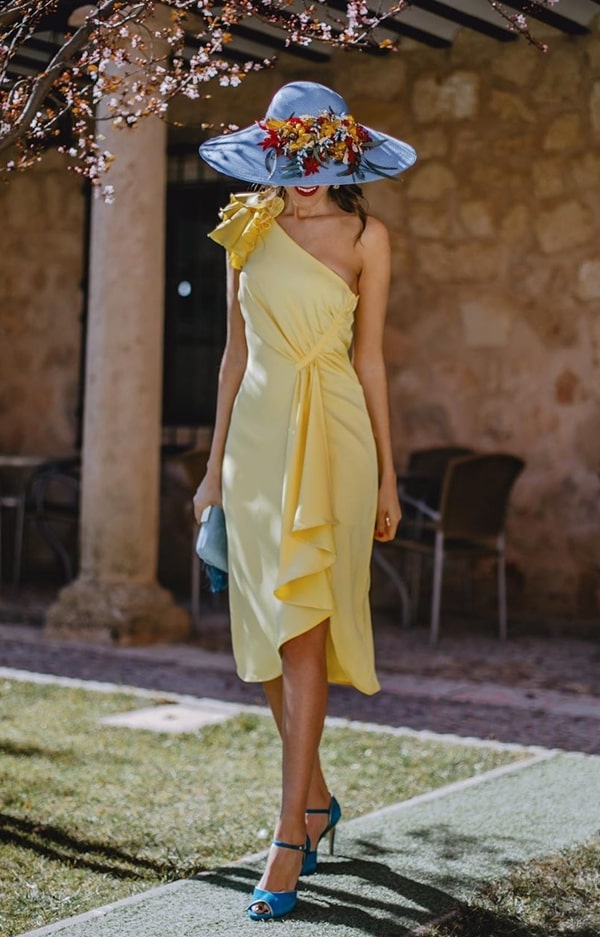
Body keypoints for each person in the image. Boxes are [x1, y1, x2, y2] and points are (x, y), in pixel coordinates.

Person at [194, 81, 416, 921]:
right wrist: (213, 470)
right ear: (272, 155)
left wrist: (389, 474)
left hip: (337, 440)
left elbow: (373, 363)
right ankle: (316, 794)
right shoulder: (246, 226)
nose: (307, 175)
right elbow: (229, 353)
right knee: (263, 622)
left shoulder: (368, 235)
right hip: (254, 444)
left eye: (322, 158)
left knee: (304, 634)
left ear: (344, 156)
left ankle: (289, 834)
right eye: (293, 158)